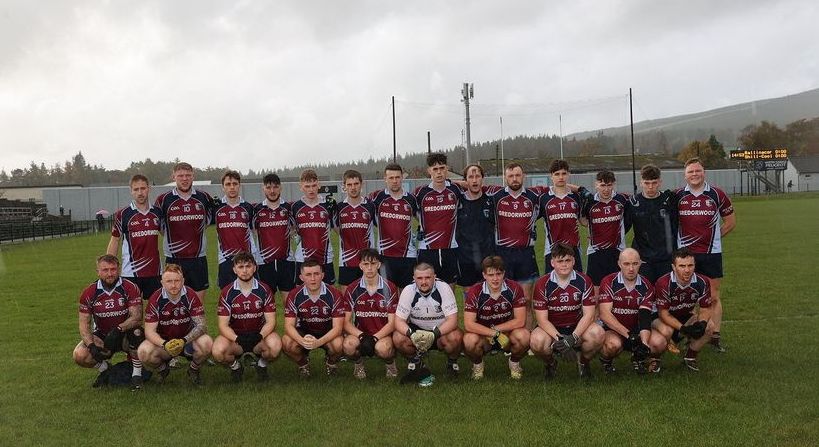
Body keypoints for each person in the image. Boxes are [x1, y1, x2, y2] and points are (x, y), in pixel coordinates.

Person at [675, 158, 736, 352]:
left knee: (713, 297)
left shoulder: (717, 194)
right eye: (691, 171)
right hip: (685, 257)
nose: (694, 174)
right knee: (688, 296)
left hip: (710, 254)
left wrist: (715, 239)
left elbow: (730, 221)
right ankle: (693, 332)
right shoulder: (677, 196)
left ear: (704, 172)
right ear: (685, 175)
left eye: (698, 171)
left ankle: (715, 335)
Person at [530, 242, 603, 379]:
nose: (564, 264)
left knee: (598, 333)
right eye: (560, 261)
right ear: (552, 262)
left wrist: (573, 337)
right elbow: (542, 320)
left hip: (577, 329)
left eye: (568, 260)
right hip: (552, 330)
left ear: (574, 261)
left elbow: (589, 315)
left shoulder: (584, 280)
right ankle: (551, 363)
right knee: (536, 341)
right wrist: (561, 340)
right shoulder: (542, 283)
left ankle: (583, 363)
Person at [73, 255, 145, 389]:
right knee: (80, 355)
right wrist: (91, 346)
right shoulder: (89, 292)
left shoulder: (129, 287)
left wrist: (118, 329)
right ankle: (105, 369)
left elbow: (137, 317)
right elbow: (84, 324)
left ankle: (137, 375)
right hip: (102, 336)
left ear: (119, 270)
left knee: (137, 332)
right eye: (105, 270)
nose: (110, 273)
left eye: (113, 269)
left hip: (124, 334)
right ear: (98, 272)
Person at [138, 264, 213, 385]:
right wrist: (165, 344)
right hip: (165, 343)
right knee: (143, 351)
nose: (173, 285)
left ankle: (193, 370)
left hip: (187, 341)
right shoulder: (155, 299)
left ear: (183, 280)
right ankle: (163, 370)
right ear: (162, 282)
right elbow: (149, 331)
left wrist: (183, 340)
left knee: (207, 343)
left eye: (177, 281)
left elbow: (202, 325)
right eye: (169, 281)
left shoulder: (190, 295)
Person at [211, 253, 281, 382]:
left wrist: (259, 336)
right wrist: (237, 338)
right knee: (217, 351)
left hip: (259, 337)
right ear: (234, 269)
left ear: (255, 268)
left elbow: (271, 321)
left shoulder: (265, 290)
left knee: (275, 346)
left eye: (248, 266)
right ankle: (236, 367)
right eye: (241, 266)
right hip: (236, 339)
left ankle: (261, 365)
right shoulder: (227, 292)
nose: (244, 270)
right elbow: (222, 325)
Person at [489, 163, 542, 327]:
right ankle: (507, 340)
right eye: (511, 176)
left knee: (526, 301)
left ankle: (528, 338)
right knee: (504, 302)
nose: (514, 179)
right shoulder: (495, 197)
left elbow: (558, 186)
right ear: (505, 178)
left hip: (526, 254)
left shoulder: (534, 198)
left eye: (517, 175)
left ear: (523, 176)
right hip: (502, 255)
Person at [392, 263, 463, 386]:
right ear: (414, 278)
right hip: (417, 331)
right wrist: (412, 334)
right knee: (398, 337)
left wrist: (434, 334)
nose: (424, 282)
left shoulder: (444, 288)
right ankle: (417, 362)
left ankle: (452, 363)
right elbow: (398, 321)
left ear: (434, 277)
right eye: (419, 278)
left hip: (440, 331)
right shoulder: (408, 290)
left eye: (427, 278)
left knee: (456, 337)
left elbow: (452, 320)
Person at [597, 248, 666, 374]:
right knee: (613, 345)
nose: (631, 268)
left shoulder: (646, 285)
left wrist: (643, 344)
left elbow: (644, 316)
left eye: (635, 264)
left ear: (640, 263)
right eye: (626, 264)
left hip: (637, 330)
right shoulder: (608, 282)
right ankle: (606, 361)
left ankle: (639, 358)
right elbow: (605, 315)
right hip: (613, 330)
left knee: (659, 342)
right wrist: (629, 336)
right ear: (619, 264)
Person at [154, 162, 215, 302]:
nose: (184, 178)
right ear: (173, 176)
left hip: (198, 258)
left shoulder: (204, 197)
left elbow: (207, 221)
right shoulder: (163, 200)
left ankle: (196, 325)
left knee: (197, 305)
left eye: (188, 175)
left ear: (193, 176)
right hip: (173, 258)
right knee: (173, 303)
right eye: (180, 175)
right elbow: (160, 227)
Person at [462, 256, 529, 380]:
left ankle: (514, 363)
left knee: (524, 336)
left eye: (498, 274)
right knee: (469, 340)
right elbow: (468, 324)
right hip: (483, 336)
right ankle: (478, 365)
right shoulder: (475, 291)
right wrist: (494, 334)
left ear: (504, 273)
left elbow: (520, 320)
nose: (495, 278)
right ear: (484, 275)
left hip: (506, 334)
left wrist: (496, 331)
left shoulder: (514, 288)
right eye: (491, 275)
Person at [653, 248, 715, 372]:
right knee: (666, 332)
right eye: (682, 266)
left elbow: (705, 308)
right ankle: (654, 359)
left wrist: (701, 323)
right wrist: (683, 329)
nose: (687, 270)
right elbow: (663, 313)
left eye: (690, 265)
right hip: (660, 318)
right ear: (673, 267)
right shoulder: (664, 283)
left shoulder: (702, 281)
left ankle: (690, 357)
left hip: (685, 316)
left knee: (709, 326)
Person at [341, 249, 399, 379]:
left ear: (378, 265)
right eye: (366, 264)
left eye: (373, 264)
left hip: (383, 334)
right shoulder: (352, 288)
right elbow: (345, 321)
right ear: (360, 265)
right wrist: (361, 336)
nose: (369, 268)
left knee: (383, 349)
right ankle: (359, 364)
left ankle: (390, 364)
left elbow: (393, 322)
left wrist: (375, 338)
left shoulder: (389, 288)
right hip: (360, 333)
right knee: (348, 346)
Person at [281, 260, 345, 376]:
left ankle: (331, 363)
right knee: (287, 342)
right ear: (301, 277)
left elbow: (338, 328)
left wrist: (318, 342)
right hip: (304, 332)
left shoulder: (335, 294)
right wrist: (302, 341)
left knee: (339, 344)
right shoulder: (294, 294)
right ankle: (303, 364)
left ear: (323, 275)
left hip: (328, 332)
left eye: (316, 274)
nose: (313, 278)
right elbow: (288, 326)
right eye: (308, 275)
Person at [107, 174, 163, 299]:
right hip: (130, 273)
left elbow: (167, 235)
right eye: (136, 189)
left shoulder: (157, 212)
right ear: (131, 191)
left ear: (149, 189)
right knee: (134, 313)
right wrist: (109, 267)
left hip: (155, 272)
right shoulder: (123, 214)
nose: (140, 193)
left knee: (155, 312)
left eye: (143, 188)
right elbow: (115, 239)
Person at [414, 152, 464, 286]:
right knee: (426, 290)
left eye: (442, 168)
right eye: (435, 169)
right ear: (429, 171)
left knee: (449, 291)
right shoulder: (420, 193)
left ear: (447, 169)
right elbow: (412, 212)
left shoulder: (456, 190)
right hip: (427, 250)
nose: (439, 172)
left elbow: (471, 188)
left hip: (450, 249)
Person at [369, 163, 419, 288]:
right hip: (385, 256)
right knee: (388, 296)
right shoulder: (376, 198)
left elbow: (423, 219)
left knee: (406, 296)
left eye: (397, 177)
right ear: (385, 179)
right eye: (391, 178)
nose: (395, 181)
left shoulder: (411, 199)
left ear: (402, 177)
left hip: (407, 255)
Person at [582, 170, 631, 292]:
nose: (606, 189)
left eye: (609, 185)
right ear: (596, 185)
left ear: (614, 185)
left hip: (617, 252)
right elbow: (583, 222)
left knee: (617, 291)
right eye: (602, 185)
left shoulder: (623, 199)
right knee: (596, 294)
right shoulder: (590, 202)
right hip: (595, 253)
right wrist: (581, 194)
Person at [628, 164, 677, 283]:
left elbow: (677, 226)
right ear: (641, 183)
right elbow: (622, 228)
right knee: (646, 297)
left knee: (665, 296)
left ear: (660, 182)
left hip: (666, 259)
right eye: (647, 183)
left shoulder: (669, 199)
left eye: (654, 183)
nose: (650, 187)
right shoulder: (633, 203)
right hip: (643, 260)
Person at [252, 173, 296, 297]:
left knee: (288, 303)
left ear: (281, 188)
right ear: (263, 188)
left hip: (287, 262)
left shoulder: (288, 208)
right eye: (269, 187)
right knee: (266, 305)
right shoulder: (256, 210)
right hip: (264, 263)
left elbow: (295, 229)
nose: (272, 191)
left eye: (275, 187)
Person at [539, 159, 586, 272]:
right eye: (557, 174)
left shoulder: (576, 197)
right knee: (552, 286)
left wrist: (580, 189)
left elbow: (584, 222)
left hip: (573, 249)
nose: (561, 177)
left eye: (564, 173)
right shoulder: (543, 198)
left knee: (577, 284)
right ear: (551, 176)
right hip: (552, 249)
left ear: (568, 174)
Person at [291, 169, 336, 284]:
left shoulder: (329, 204)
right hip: (303, 258)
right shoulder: (295, 207)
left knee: (328, 294)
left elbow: (337, 228)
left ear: (318, 185)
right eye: (307, 186)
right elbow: (291, 230)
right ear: (301, 186)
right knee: (300, 293)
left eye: (313, 185)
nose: (311, 190)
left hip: (325, 258)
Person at [456, 164, 497, 288]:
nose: (474, 180)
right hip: (465, 260)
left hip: (488, 259)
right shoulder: (458, 201)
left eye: (477, 176)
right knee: (469, 301)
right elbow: (444, 183)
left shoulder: (491, 200)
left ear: (482, 179)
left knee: (489, 297)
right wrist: (460, 183)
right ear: (465, 180)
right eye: (470, 177)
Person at [213, 170, 256, 289]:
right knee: (227, 296)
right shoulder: (216, 208)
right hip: (225, 259)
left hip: (247, 260)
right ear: (223, 187)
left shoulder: (248, 207)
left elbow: (254, 231)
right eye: (228, 184)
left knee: (249, 295)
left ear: (239, 186)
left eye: (235, 184)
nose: (232, 187)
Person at [335, 169, 376, 286]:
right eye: (349, 184)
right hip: (346, 262)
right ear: (344, 186)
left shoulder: (370, 206)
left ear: (361, 184)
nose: (353, 188)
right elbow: (334, 227)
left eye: (356, 184)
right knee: (347, 300)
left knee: (369, 298)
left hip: (368, 261)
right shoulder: (339, 208)